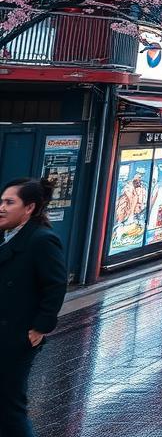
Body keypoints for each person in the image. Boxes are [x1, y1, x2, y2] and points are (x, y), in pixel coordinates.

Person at [0, 177, 67, 437]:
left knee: (9, 405)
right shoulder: (6, 236)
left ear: (29, 208)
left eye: (9, 202)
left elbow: (56, 284)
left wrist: (40, 327)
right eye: (1, 201)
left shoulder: (41, 240)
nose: (1, 207)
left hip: (15, 335)